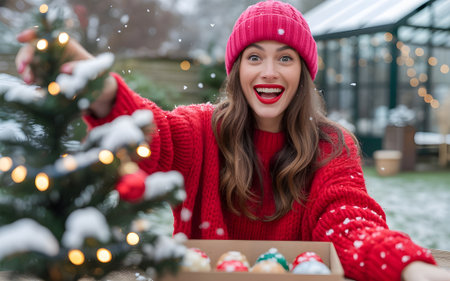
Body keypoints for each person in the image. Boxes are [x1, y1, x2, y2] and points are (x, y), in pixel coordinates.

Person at [15, 1, 450, 280]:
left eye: (285, 58)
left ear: (303, 73)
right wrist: (98, 82)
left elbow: (349, 223)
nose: (268, 72)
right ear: (236, 70)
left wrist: (411, 266)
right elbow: (153, 134)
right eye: (254, 57)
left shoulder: (332, 146)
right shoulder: (202, 130)